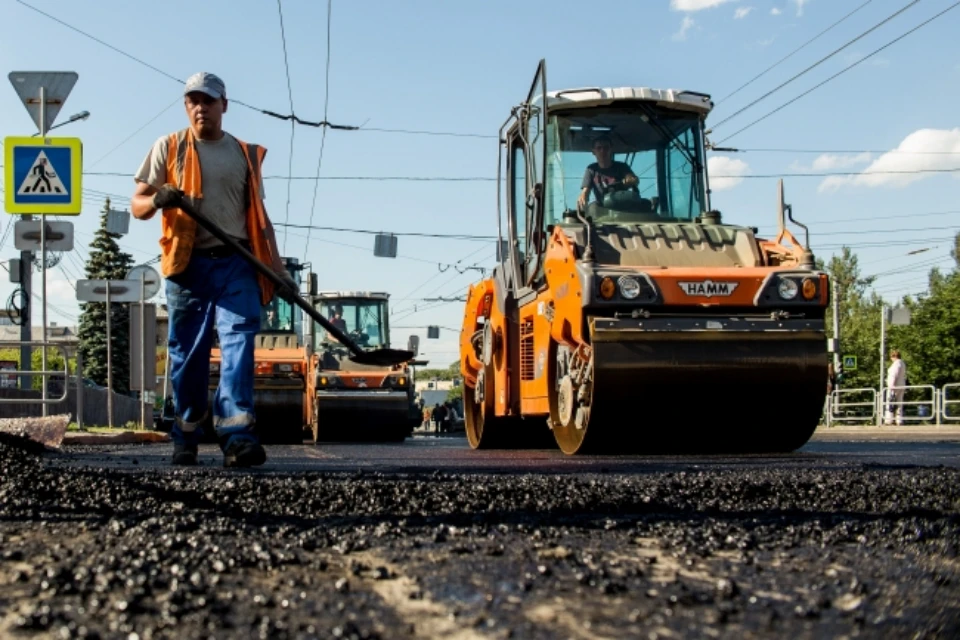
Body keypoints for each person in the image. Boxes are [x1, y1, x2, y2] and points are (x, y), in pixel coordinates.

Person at [131, 71, 296, 468]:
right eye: (193, 101)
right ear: (187, 106)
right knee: (189, 355)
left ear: (224, 105)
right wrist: (159, 199)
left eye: (208, 100)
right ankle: (186, 432)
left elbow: (260, 219)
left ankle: (237, 437)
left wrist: (279, 271)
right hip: (189, 268)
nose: (200, 107)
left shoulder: (243, 154)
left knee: (239, 344)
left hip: (237, 262)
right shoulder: (168, 147)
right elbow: (137, 204)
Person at [577, 135, 639, 210]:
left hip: (623, 211)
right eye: (599, 148)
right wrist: (583, 197)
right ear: (593, 151)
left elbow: (633, 179)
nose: (602, 151)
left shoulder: (622, 167)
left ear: (611, 149)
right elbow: (585, 190)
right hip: (601, 212)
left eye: (606, 147)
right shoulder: (591, 169)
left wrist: (630, 179)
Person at [884, 350, 907, 425]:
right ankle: (899, 420)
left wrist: (891, 385)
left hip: (894, 386)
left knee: (890, 402)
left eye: (891, 357)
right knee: (899, 403)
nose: (891, 359)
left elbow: (894, 375)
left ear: (894, 356)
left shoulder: (896, 364)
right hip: (901, 385)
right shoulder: (902, 363)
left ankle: (889, 420)